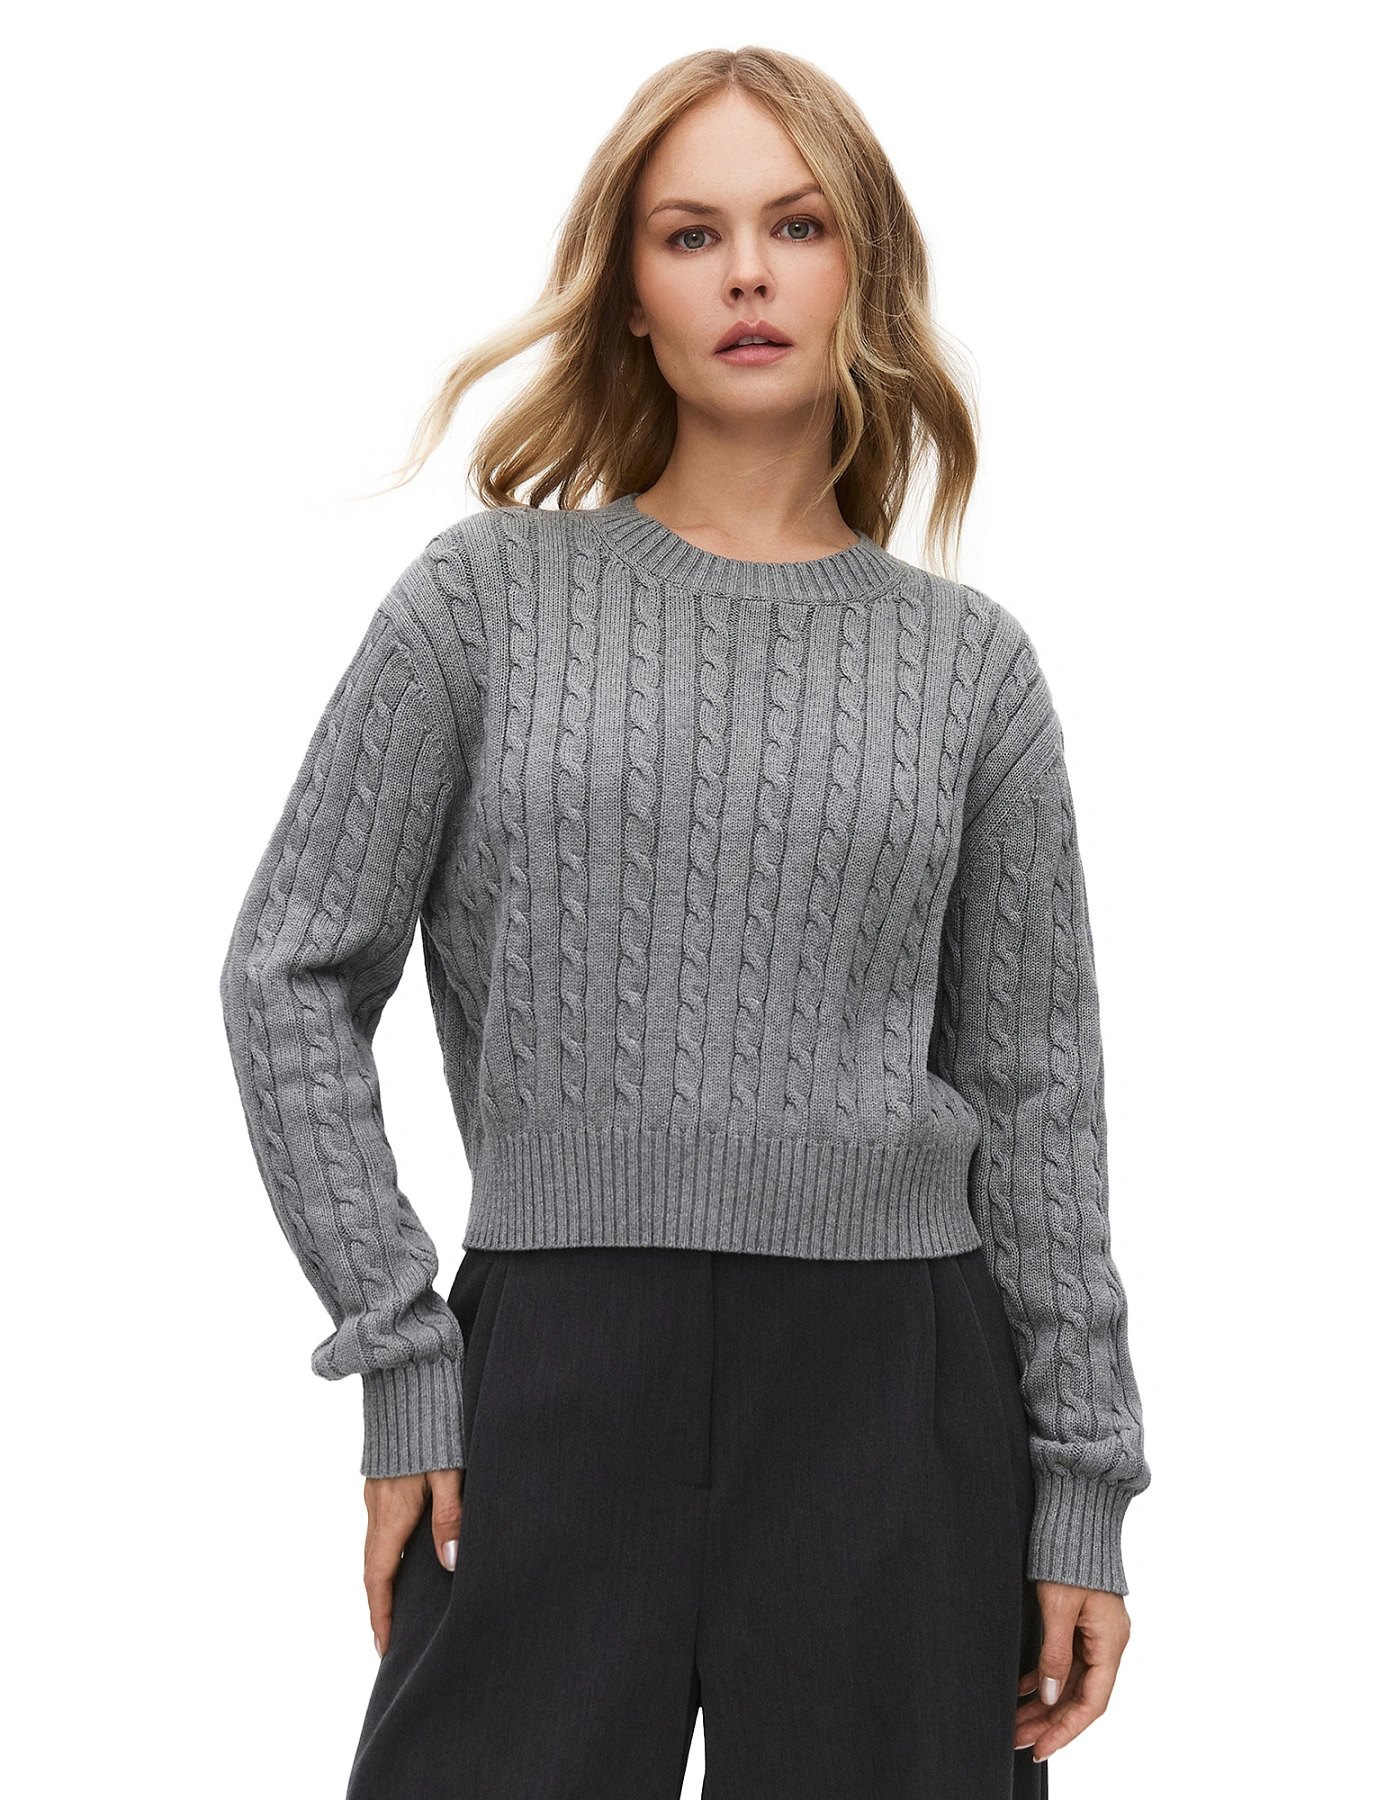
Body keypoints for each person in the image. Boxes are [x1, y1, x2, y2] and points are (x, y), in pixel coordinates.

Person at [219, 44, 1151, 1800]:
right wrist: (400, 1355)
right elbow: (289, 972)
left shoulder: (968, 668)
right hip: (554, 1370)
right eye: (690, 233)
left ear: (862, 269)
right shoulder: (482, 602)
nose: (745, 275)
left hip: (895, 1386)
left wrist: (1083, 1486)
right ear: (628, 289)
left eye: (794, 226)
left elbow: (1038, 1095)